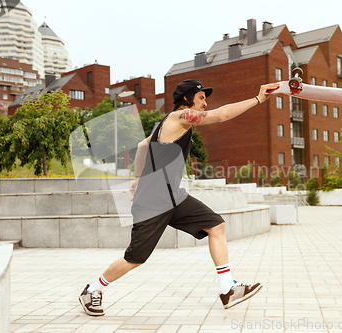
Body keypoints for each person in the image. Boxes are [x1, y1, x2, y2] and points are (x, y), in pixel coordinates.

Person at [79, 79, 280, 316]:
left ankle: (228, 289)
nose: (205, 103)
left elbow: (142, 146)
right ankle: (92, 290)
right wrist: (258, 99)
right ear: (187, 99)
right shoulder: (179, 117)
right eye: (201, 97)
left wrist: (137, 178)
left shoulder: (169, 123)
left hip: (173, 197)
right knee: (135, 258)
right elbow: (221, 115)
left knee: (216, 225)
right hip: (152, 203)